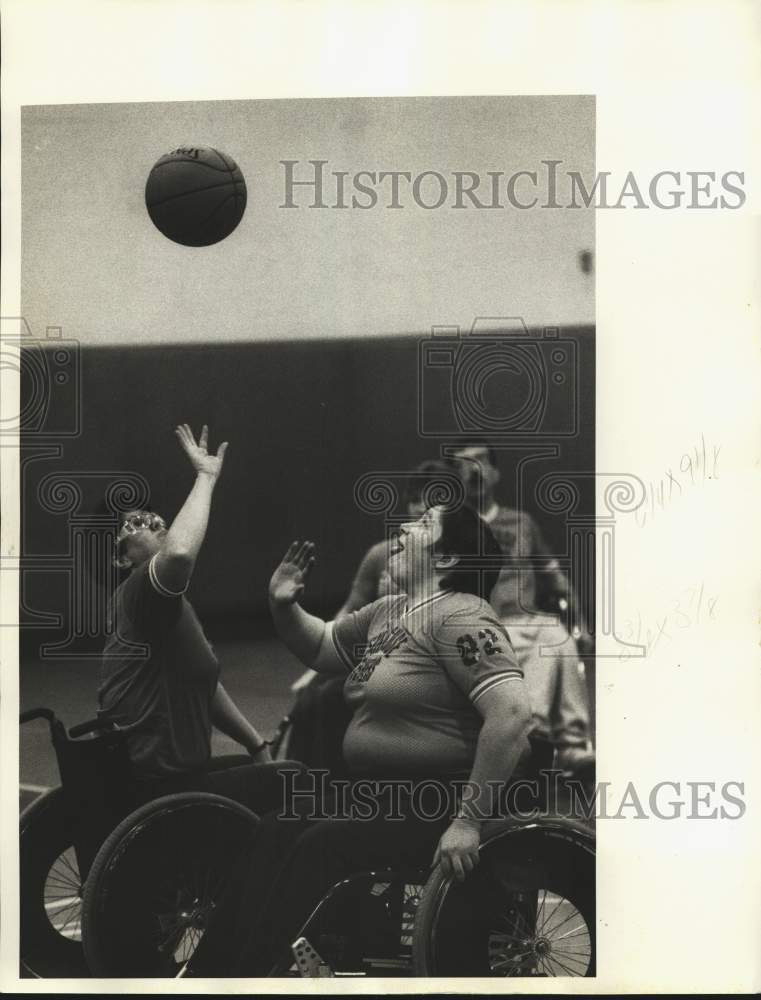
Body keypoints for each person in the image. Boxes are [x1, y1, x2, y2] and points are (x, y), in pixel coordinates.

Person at [192, 501, 533, 976]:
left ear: (448, 557)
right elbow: (319, 645)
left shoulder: (463, 617)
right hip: (377, 794)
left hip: (436, 799)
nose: (404, 528)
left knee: (317, 845)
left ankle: (254, 978)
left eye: (422, 524)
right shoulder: (391, 610)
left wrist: (468, 822)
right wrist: (283, 604)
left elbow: (513, 714)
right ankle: (212, 977)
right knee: (274, 827)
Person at [97, 423, 298, 814]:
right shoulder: (142, 591)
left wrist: (256, 746)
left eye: (152, 515)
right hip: (163, 787)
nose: (152, 520)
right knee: (297, 781)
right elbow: (179, 555)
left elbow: (204, 684)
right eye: (135, 522)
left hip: (164, 777)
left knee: (267, 771)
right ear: (121, 558)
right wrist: (206, 477)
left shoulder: (161, 606)